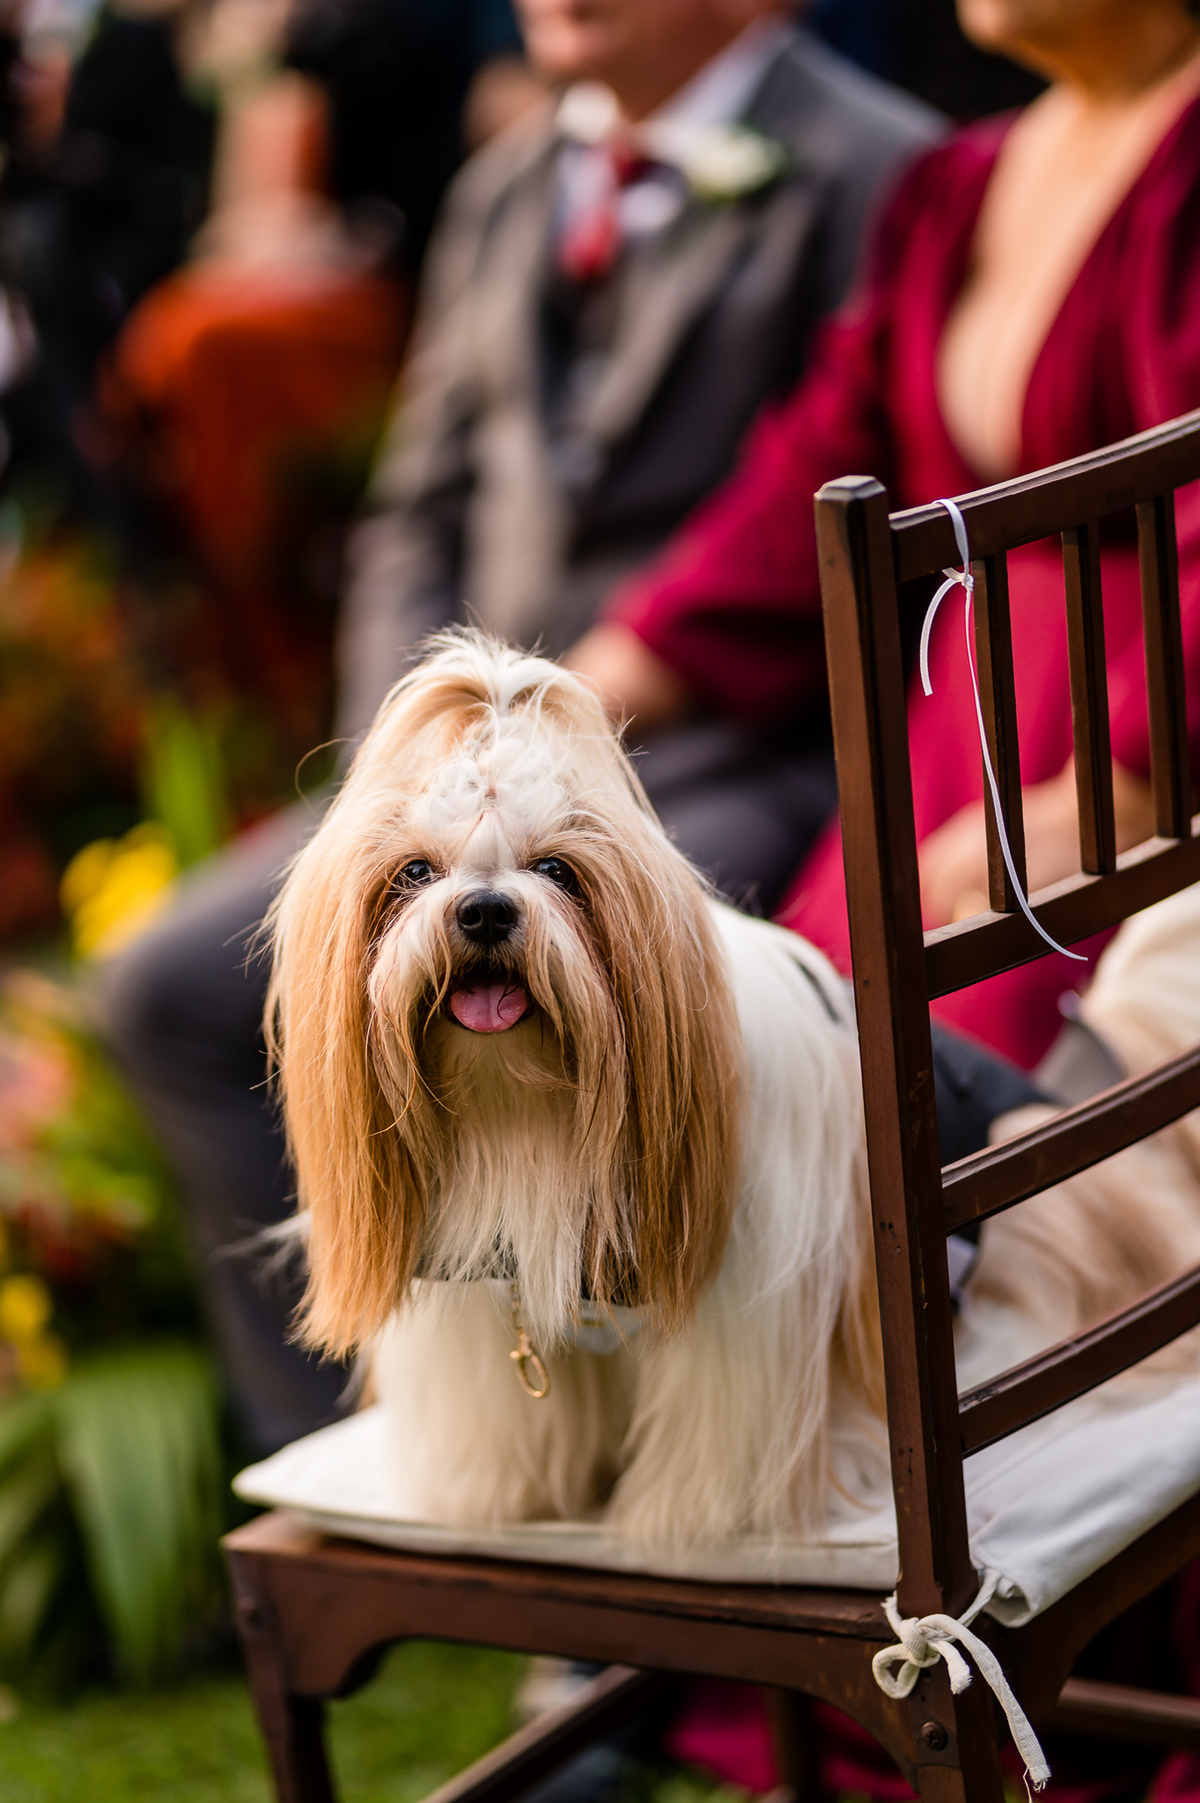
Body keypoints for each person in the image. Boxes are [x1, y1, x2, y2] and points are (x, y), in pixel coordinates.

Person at [100, 0, 940, 1457]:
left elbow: (871, 520)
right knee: (167, 985)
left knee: (694, 975)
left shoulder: (880, 171)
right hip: (442, 774)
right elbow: (416, 507)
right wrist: (402, 761)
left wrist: (598, 737)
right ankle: (376, 1440)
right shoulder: (504, 185)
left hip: (719, 760)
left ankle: (678, 1450)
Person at [569, 0, 1200, 1074]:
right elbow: (805, 484)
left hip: (1143, 777)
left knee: (996, 1180)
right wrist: (577, 699)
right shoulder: (957, 182)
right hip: (954, 763)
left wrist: (1123, 795)